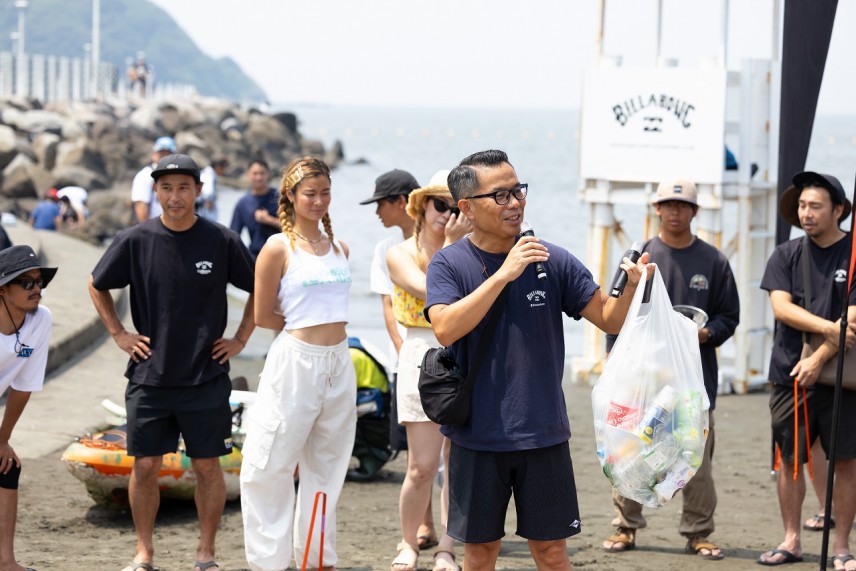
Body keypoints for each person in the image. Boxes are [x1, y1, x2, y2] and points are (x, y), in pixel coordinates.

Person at [424, 149, 652, 570]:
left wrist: (633, 288)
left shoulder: (552, 258)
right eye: (501, 196)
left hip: (544, 434)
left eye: (518, 191)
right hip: (477, 437)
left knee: (551, 553)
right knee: (479, 553)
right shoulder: (449, 263)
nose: (515, 203)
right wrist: (504, 273)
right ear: (467, 208)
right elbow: (445, 328)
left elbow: (606, 317)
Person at [89, 153, 256, 571]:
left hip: (205, 375)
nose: (175, 196)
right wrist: (119, 334)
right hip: (149, 374)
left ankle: (206, 554)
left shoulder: (221, 240)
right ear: (155, 191)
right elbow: (97, 285)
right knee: (144, 466)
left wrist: (240, 338)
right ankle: (144, 552)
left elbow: (261, 288)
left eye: (183, 187)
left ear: (199, 191)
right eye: (166, 187)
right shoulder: (135, 240)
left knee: (206, 467)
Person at [601, 178, 740, 560]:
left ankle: (698, 532)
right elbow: (616, 312)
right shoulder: (641, 257)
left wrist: (706, 334)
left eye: (683, 205)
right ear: (656, 208)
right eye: (668, 204)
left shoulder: (714, 261)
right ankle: (625, 526)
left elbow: (730, 316)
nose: (675, 211)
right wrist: (612, 357)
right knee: (631, 450)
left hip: (693, 379)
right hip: (642, 378)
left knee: (695, 455)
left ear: (694, 211)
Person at [240, 156, 354, 571]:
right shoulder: (277, 247)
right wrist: (301, 330)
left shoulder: (340, 247)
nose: (319, 201)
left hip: (339, 363)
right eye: (310, 193)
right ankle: (268, 563)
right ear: (290, 195)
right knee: (268, 465)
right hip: (294, 363)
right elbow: (263, 315)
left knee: (327, 467)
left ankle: (315, 559)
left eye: (325, 192)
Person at [759, 171, 856, 569]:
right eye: (802, 206)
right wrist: (830, 328)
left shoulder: (853, 254)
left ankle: (841, 547)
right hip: (789, 375)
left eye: (815, 206)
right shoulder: (786, 254)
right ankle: (791, 539)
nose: (806, 213)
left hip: (844, 380)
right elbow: (781, 308)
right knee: (789, 459)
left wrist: (817, 358)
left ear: (838, 210)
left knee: (846, 461)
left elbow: (855, 316)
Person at [387, 170, 470, 571]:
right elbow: (435, 291)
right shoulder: (400, 253)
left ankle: (447, 548)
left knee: (457, 461)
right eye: (441, 204)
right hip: (421, 350)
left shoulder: (473, 250)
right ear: (421, 206)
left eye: (457, 207)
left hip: (463, 351)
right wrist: (454, 246)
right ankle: (408, 543)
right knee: (421, 465)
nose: (448, 214)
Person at [361, 169, 440, 551]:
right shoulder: (389, 250)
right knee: (417, 453)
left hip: (442, 351)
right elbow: (389, 308)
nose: (377, 211)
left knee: (449, 457)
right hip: (411, 352)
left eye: (380, 202)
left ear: (400, 201)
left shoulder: (448, 241)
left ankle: (443, 535)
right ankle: (423, 526)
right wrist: (401, 353)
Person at [0, 245, 57, 571]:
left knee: (7, 467)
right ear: (3, 289)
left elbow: (23, 386)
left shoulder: (40, 320)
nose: (36, 289)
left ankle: (6, 563)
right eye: (27, 282)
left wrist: (3, 439)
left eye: (39, 282)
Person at [230, 159, 280, 258]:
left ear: (269, 174)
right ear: (248, 175)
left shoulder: (280, 198)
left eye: (262, 173)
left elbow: (296, 228)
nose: (259, 177)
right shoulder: (243, 203)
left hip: (281, 253)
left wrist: (269, 220)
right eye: (255, 173)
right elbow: (233, 235)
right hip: (255, 255)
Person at [131, 136, 177, 224]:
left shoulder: (178, 176)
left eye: (168, 154)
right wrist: (148, 231)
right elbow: (141, 206)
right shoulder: (145, 176)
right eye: (161, 153)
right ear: (154, 154)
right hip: (154, 230)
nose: (164, 157)